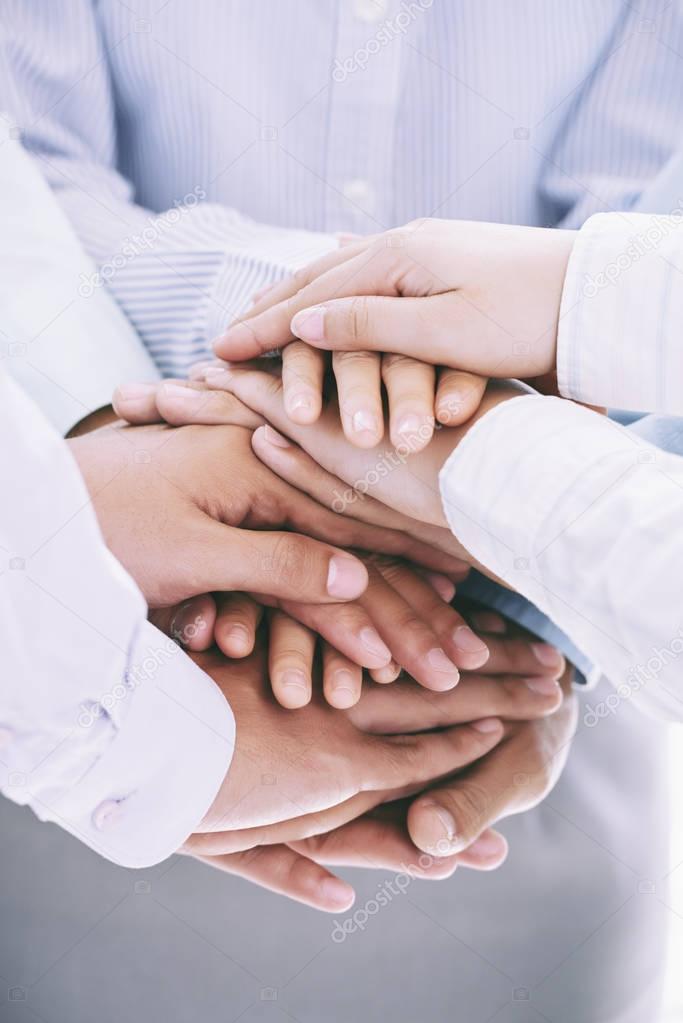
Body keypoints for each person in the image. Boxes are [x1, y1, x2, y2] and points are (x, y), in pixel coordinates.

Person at [1, 2, 680, 1019]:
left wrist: (323, 362)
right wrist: (370, 346)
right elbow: (26, 167)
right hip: (62, 632)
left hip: (527, 686)